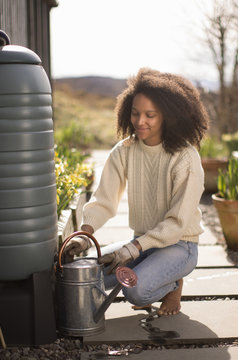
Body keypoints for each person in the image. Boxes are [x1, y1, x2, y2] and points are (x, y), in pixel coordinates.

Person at [64, 68, 209, 316]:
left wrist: (133, 250)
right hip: (141, 242)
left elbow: (176, 223)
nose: (140, 121)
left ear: (167, 116)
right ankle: (155, 272)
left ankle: (172, 284)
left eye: (150, 115)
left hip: (180, 246)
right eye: (135, 113)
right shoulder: (125, 150)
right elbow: (103, 201)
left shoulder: (185, 158)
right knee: (87, 275)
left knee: (135, 291)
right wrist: (84, 235)